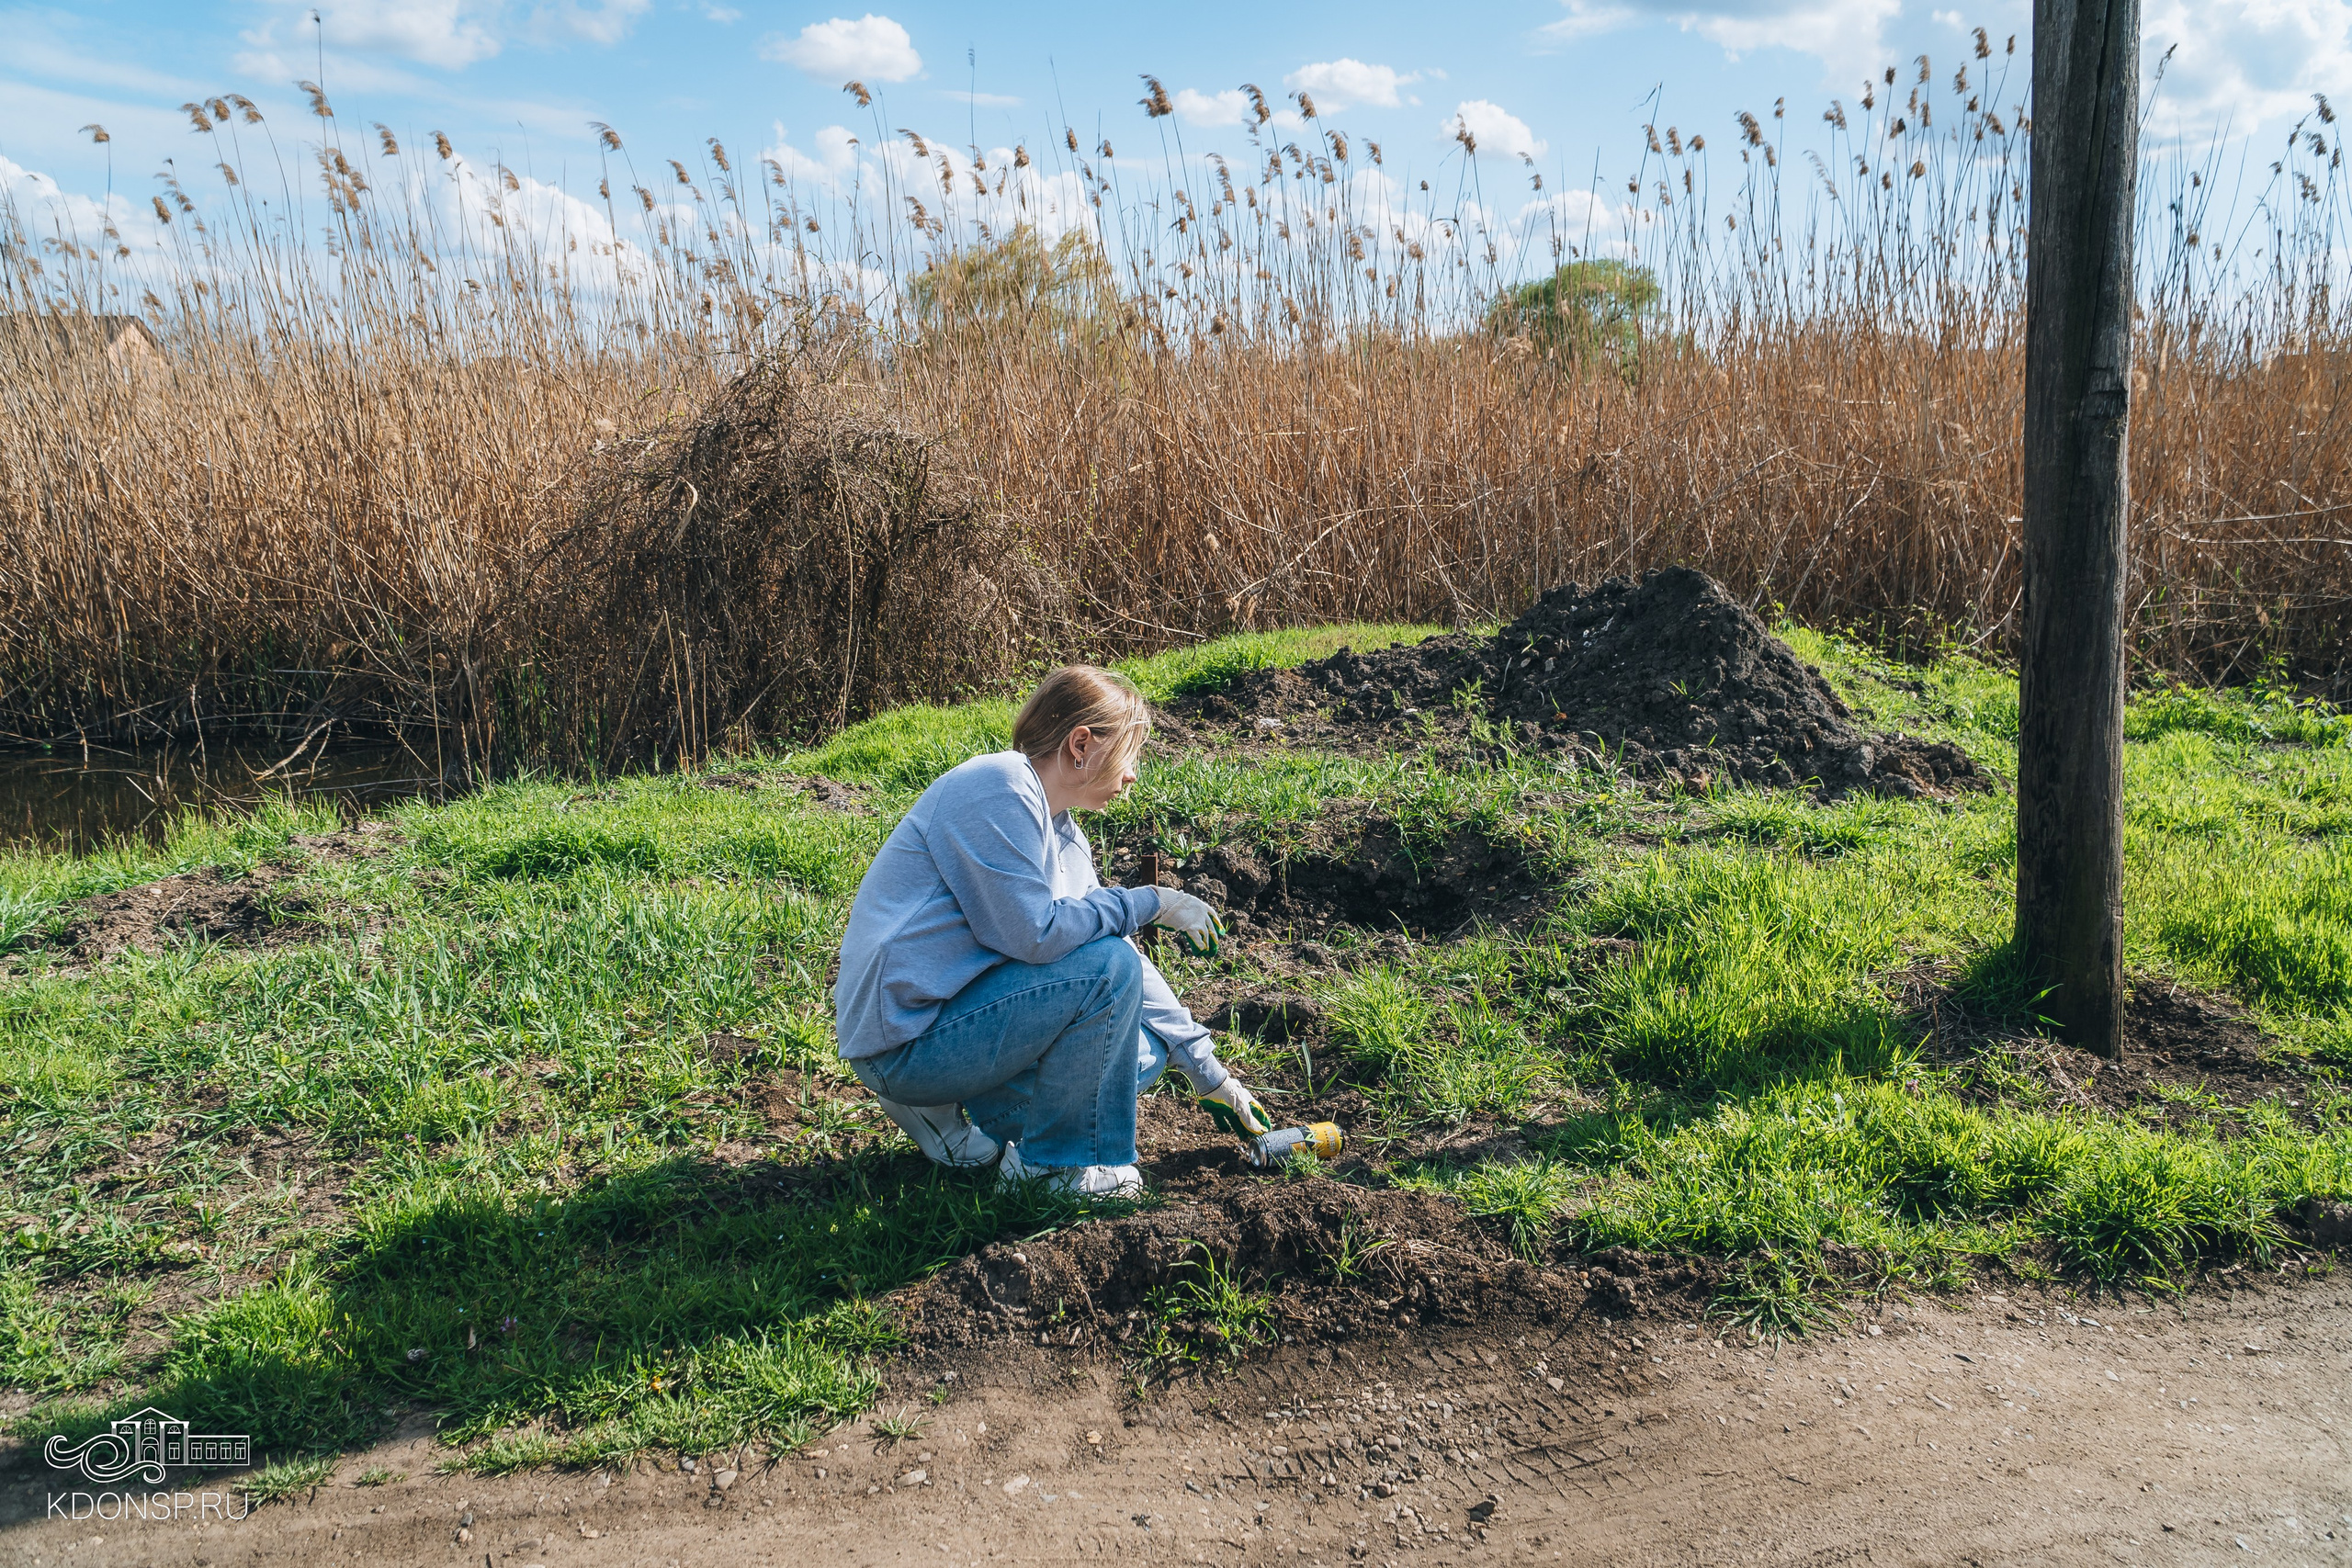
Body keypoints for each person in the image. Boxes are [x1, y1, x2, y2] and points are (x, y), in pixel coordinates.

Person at [831, 665, 1270, 1196]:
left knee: (1142, 1051)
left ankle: (983, 1122)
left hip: (953, 1021)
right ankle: (1050, 1168)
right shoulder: (998, 786)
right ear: (1080, 743)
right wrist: (1152, 902)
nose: (1132, 774)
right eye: (1129, 752)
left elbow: (1116, 951)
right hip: (904, 1038)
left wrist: (1209, 1072)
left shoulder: (1065, 837)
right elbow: (1035, 936)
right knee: (1109, 972)